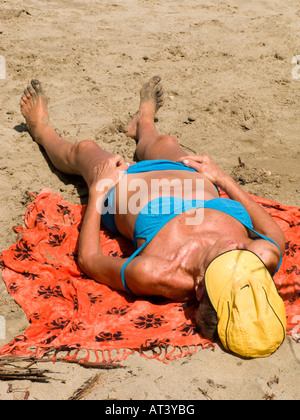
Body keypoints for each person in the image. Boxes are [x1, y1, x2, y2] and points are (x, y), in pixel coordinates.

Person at [20, 76, 287, 358]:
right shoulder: (260, 257)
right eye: (244, 256)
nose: (237, 247)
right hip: (188, 175)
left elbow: (90, 260)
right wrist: (223, 178)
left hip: (124, 185)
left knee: (83, 149)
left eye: (227, 261)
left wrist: (98, 190)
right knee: (162, 141)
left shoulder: (159, 272)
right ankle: (143, 124)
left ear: (199, 287)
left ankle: (42, 131)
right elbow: (273, 234)